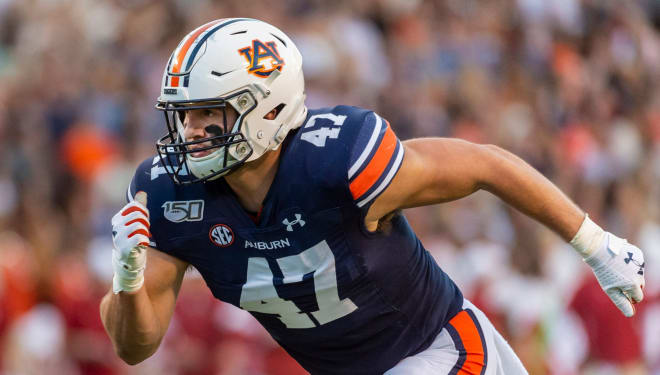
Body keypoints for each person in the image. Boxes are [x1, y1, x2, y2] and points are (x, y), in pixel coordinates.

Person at [99, 18, 646, 374]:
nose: (190, 130)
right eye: (185, 114)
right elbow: (135, 346)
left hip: (440, 350)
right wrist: (127, 280)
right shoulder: (171, 194)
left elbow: (484, 164)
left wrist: (595, 244)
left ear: (265, 108)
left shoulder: (334, 160)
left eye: (208, 113)